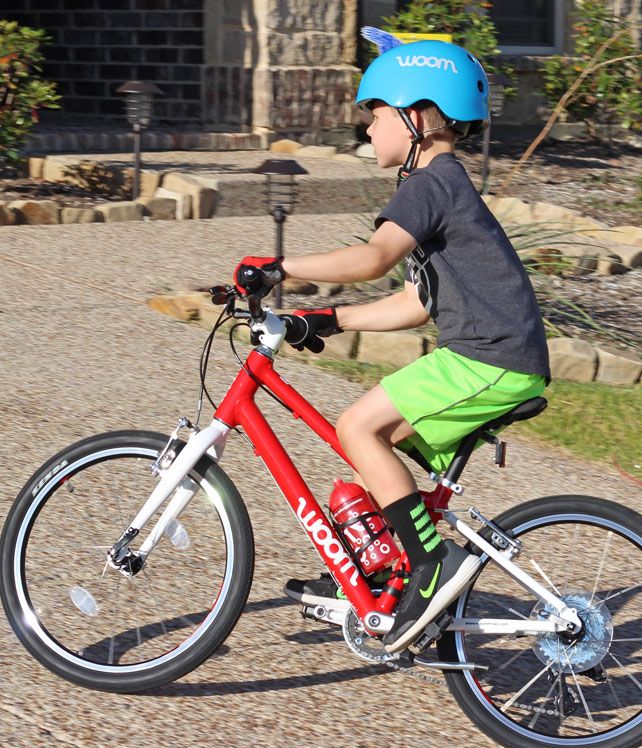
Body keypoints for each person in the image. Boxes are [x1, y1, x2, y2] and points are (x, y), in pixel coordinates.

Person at [233, 40, 551, 653]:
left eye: (375, 112)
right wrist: (325, 320)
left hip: (489, 357)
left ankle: (432, 572)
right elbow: (414, 303)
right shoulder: (444, 188)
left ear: (416, 116)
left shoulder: (433, 183)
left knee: (356, 427)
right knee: (369, 470)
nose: (367, 124)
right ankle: (387, 578)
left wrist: (278, 267)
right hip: (492, 357)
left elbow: (374, 256)